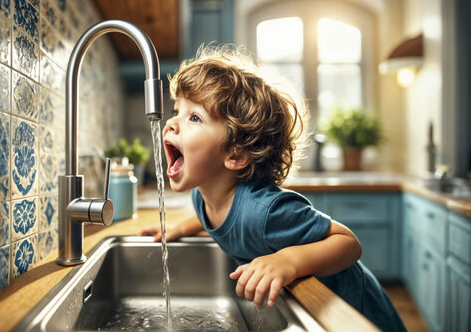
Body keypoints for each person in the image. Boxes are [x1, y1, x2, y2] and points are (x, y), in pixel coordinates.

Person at [139, 44, 406, 331]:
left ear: (236, 156)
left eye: (194, 118)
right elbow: (215, 215)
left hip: (352, 311)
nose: (171, 124)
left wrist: (288, 261)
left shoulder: (265, 211)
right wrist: (181, 229)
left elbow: (348, 243)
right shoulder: (203, 194)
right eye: (178, 111)